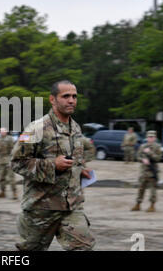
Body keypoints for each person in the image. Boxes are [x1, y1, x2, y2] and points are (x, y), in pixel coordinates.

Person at [10, 80, 96, 251]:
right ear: (52, 99)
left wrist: (79, 170)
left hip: (72, 207)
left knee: (84, 248)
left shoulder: (76, 128)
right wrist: (52, 165)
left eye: (74, 96)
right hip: (41, 209)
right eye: (65, 96)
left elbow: (75, 158)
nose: (71, 100)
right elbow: (17, 162)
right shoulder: (36, 129)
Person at [131, 130, 162, 213]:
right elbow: (137, 156)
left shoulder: (157, 147)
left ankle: (152, 206)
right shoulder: (143, 146)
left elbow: (158, 158)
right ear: (147, 137)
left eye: (152, 137)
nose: (150, 138)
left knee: (153, 189)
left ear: (155, 138)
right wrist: (142, 160)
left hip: (152, 171)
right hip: (144, 171)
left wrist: (150, 152)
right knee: (141, 188)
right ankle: (138, 204)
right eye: (149, 137)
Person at [0, 127, 17, 200]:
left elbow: (14, 149)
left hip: (9, 160)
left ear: (6, 132)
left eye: (4, 131)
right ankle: (2, 192)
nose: (2, 132)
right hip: (1, 161)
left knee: (11, 177)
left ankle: (14, 192)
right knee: (1, 177)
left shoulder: (10, 139)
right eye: (1, 131)